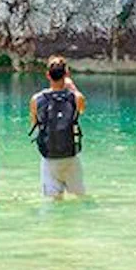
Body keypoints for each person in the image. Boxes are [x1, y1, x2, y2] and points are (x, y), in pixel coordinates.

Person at [29, 56, 86, 198]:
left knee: (52, 201)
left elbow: (34, 123)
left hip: (49, 157)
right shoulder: (76, 98)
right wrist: (72, 86)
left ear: (48, 75)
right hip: (70, 156)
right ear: (66, 75)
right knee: (79, 197)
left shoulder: (36, 99)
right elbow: (81, 109)